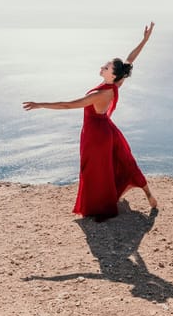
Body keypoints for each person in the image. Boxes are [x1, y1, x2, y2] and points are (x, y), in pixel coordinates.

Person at [23, 22, 157, 221]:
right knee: (123, 160)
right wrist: (144, 40)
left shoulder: (100, 93)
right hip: (107, 129)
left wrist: (40, 104)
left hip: (96, 135)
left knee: (96, 169)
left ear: (113, 74)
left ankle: (102, 207)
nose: (102, 67)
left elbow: (68, 105)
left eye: (106, 67)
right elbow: (130, 60)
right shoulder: (115, 84)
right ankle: (148, 196)